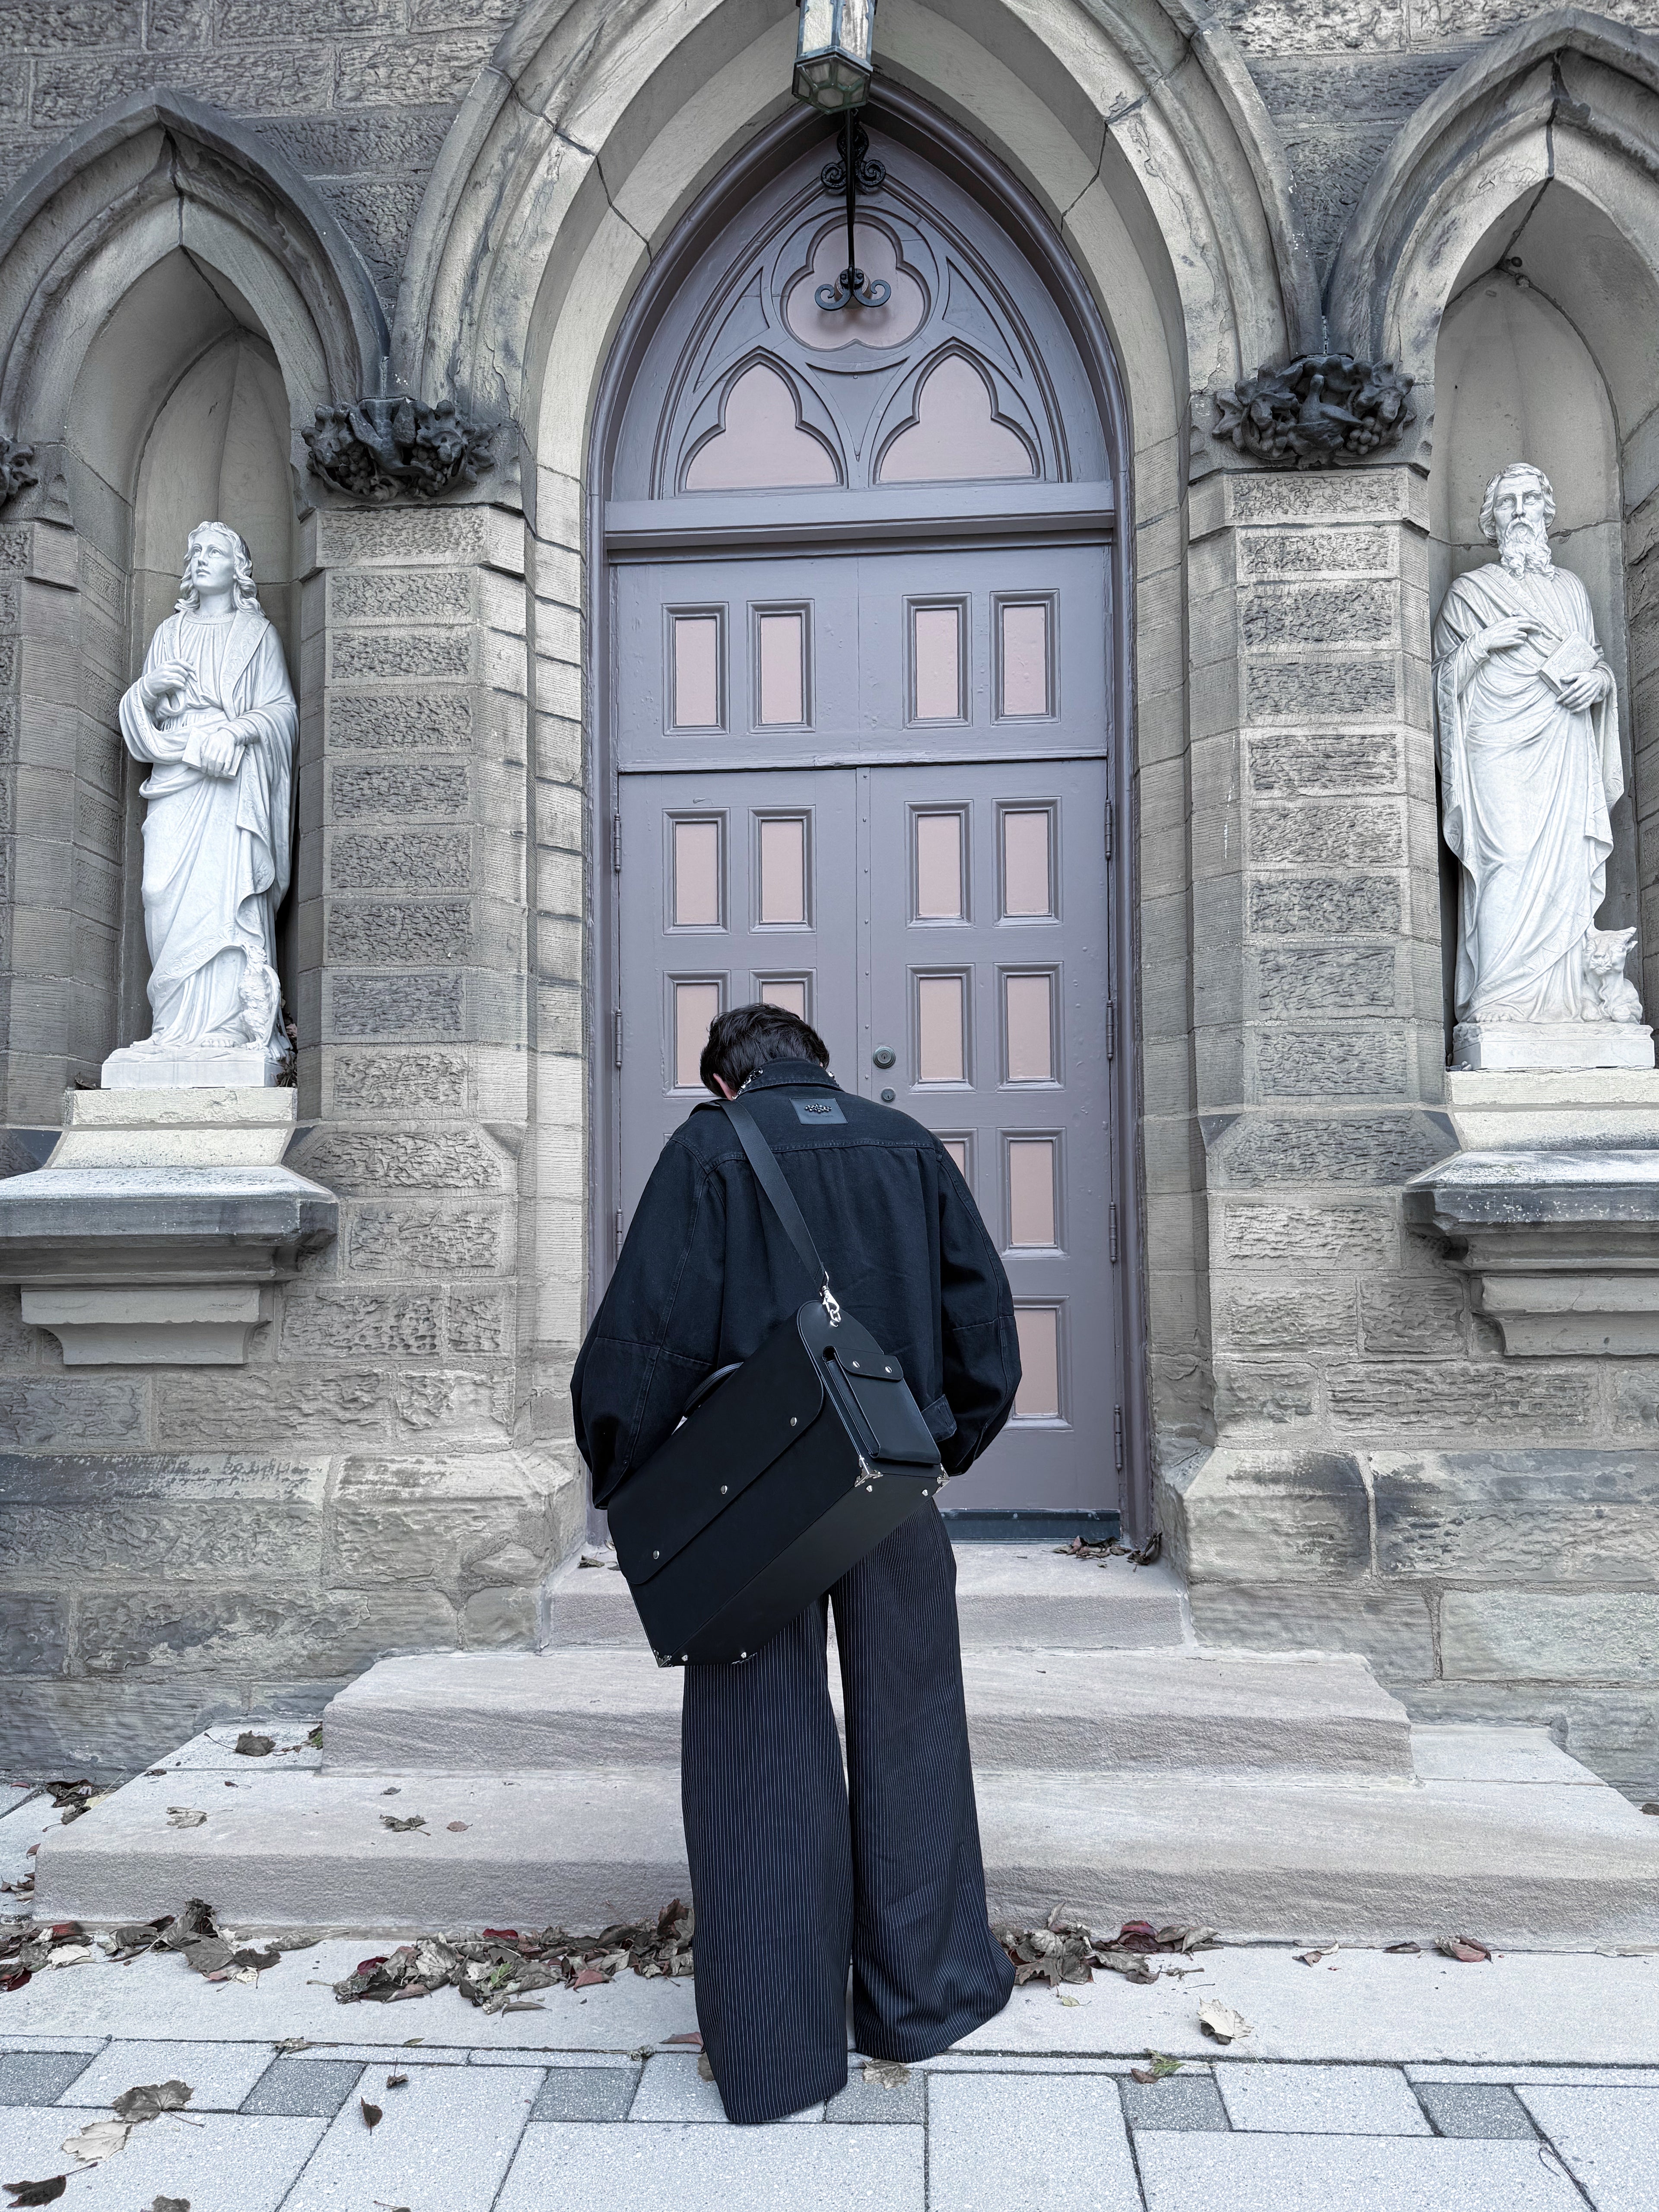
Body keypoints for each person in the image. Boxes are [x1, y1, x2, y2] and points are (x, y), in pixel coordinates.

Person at [572, 1002, 1021, 2124]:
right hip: (896, 1479)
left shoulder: (710, 1148)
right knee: (913, 1725)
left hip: (754, 1499)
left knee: (758, 1751)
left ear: (724, 1081)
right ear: (816, 1064)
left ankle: (776, 2046)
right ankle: (926, 1998)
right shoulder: (909, 1147)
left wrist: (632, 1481)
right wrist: (934, 1445)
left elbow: (644, 1338)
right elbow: (986, 1340)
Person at [1433, 462, 1621, 1029]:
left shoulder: (1571, 592)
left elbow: (1591, 662)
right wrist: (1482, 645)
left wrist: (1603, 683)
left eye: (1529, 501)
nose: (1520, 512)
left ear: (1546, 512)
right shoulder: (1470, 593)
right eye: (1508, 503)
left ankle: (1567, 1003)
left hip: (1564, 744)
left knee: (1564, 871)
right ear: (1491, 521)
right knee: (1508, 863)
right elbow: (1441, 680)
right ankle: (1498, 998)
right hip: (1496, 743)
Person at [117, 520, 296, 1072]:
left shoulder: (257, 635)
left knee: (225, 896)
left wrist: (235, 733)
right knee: (159, 889)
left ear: (237, 567)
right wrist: (146, 691)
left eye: (213, 551)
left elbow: (282, 711)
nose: (199, 559)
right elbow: (137, 718)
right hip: (177, 769)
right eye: (194, 550)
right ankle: (173, 1026)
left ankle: (226, 1025)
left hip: (230, 777)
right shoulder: (169, 634)